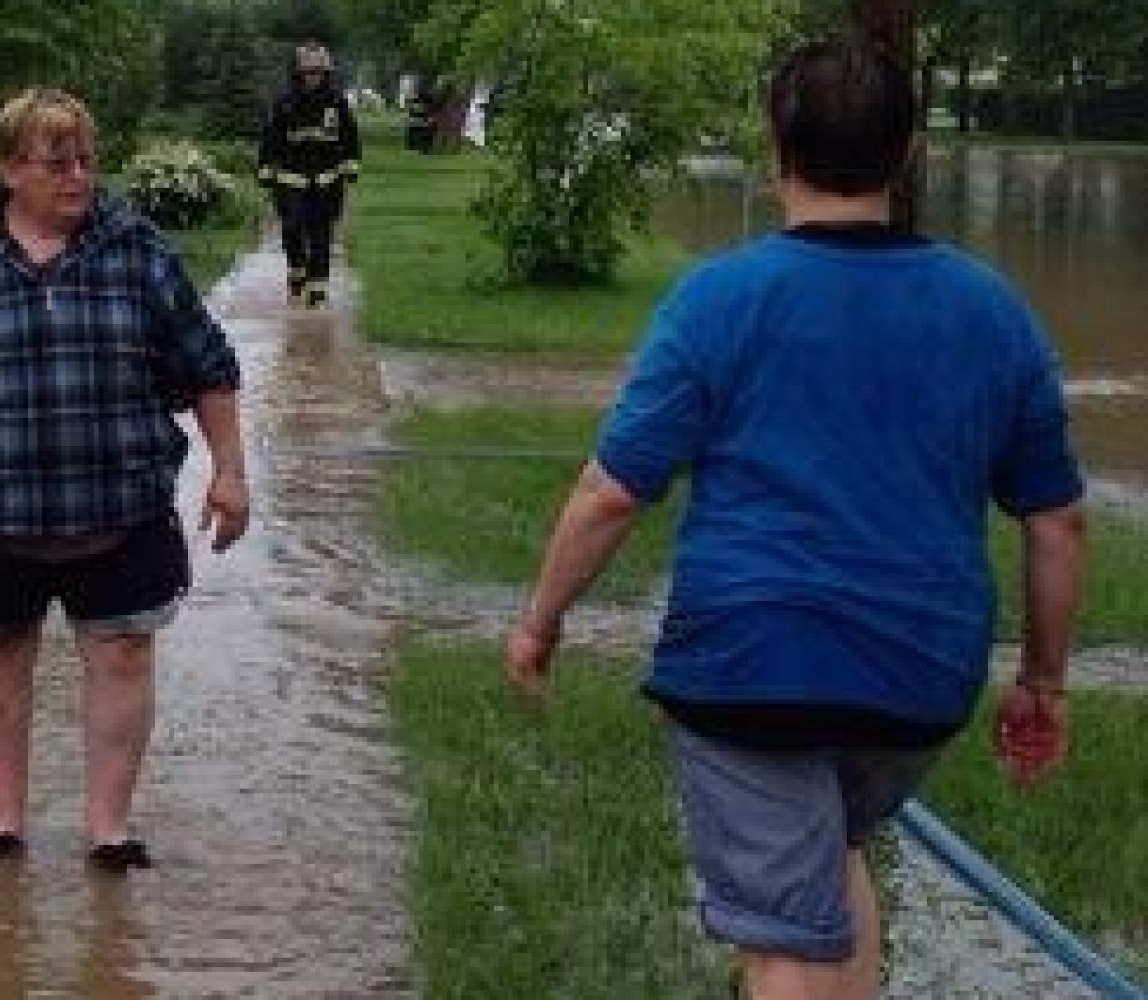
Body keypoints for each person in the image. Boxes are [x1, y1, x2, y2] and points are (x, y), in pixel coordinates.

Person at [505, 36, 1085, 1000]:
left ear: (776, 147)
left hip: (750, 670)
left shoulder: (718, 299)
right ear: (904, 155)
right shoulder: (995, 311)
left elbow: (614, 490)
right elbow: (1056, 523)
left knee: (781, 945)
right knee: (829, 860)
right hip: (920, 681)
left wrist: (538, 620)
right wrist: (1045, 682)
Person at [0, 88, 249, 873]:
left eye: (85, 158)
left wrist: (229, 474)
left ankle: (109, 830)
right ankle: (3, 826)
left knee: (123, 655)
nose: (78, 174)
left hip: (121, 506)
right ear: (7, 169)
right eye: (56, 160)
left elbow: (209, 368)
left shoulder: (140, 252)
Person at [258, 43, 361, 308]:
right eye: (307, 72)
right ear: (299, 73)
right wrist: (266, 168)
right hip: (290, 180)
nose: (312, 77)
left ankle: (317, 287)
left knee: (321, 235)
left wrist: (351, 166)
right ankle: (297, 269)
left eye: (317, 72)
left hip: (327, 180)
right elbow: (270, 137)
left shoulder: (337, 102)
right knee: (292, 228)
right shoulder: (285, 102)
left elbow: (350, 136)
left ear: (326, 72)